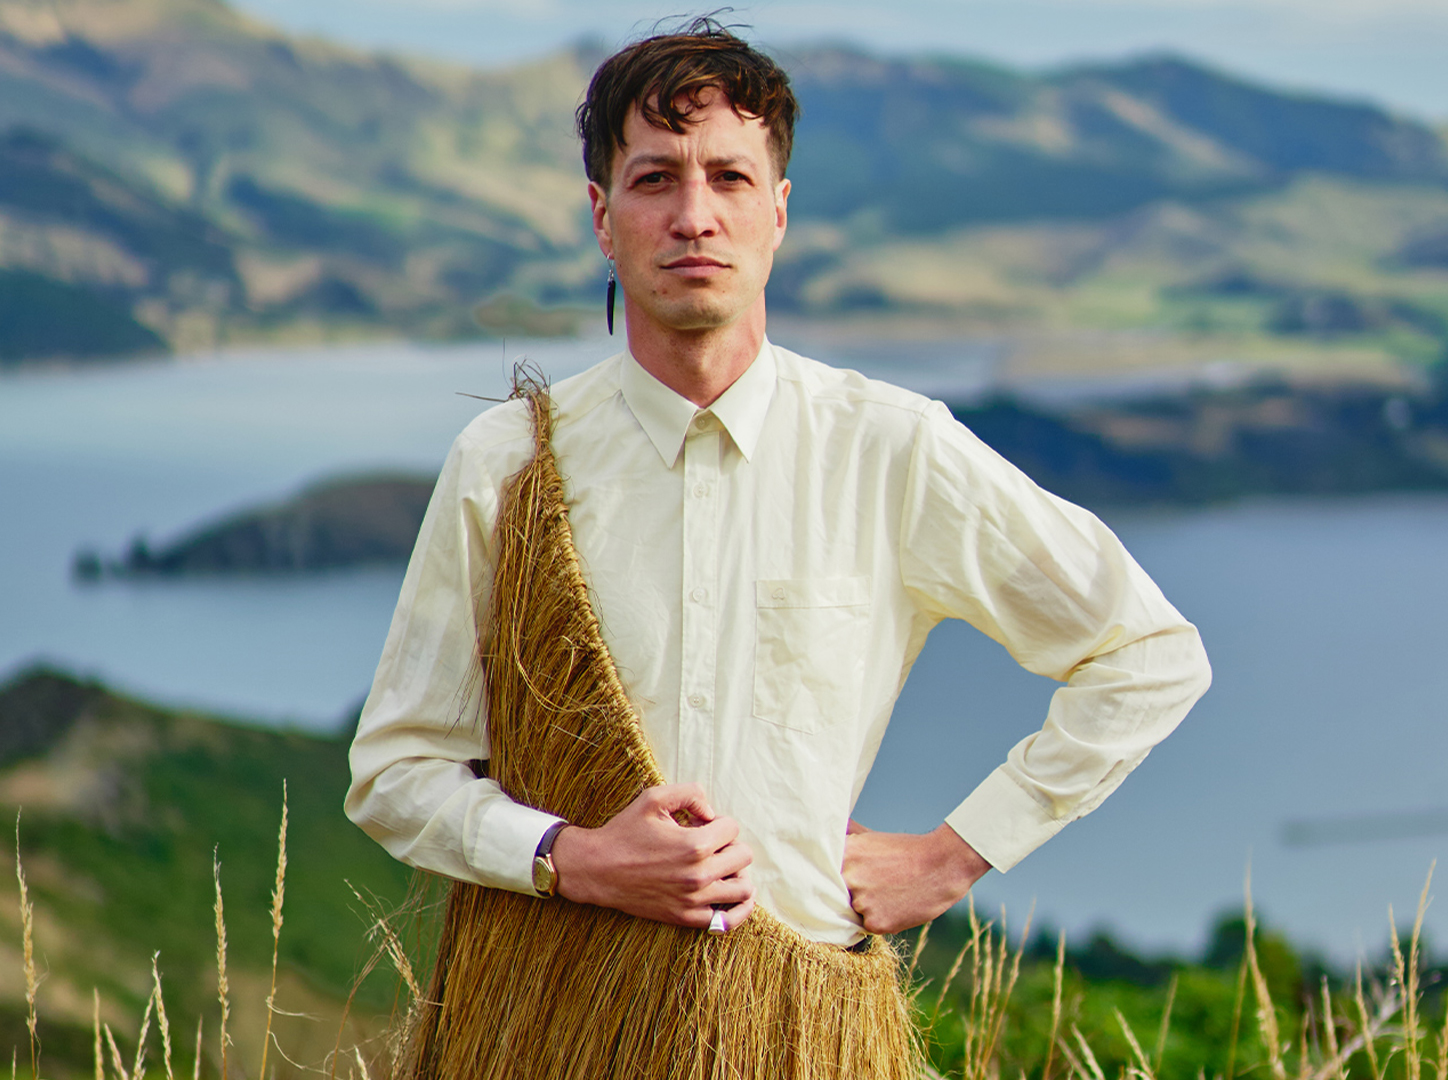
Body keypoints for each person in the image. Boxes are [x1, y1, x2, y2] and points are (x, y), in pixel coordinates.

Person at [345, 20, 1210, 956]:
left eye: (729, 177)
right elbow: (397, 771)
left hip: (806, 1003)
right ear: (601, 216)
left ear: (779, 210)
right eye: (655, 179)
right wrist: (575, 857)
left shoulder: (890, 448)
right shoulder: (507, 460)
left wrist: (953, 856)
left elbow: (1147, 652)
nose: (694, 216)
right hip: (552, 998)